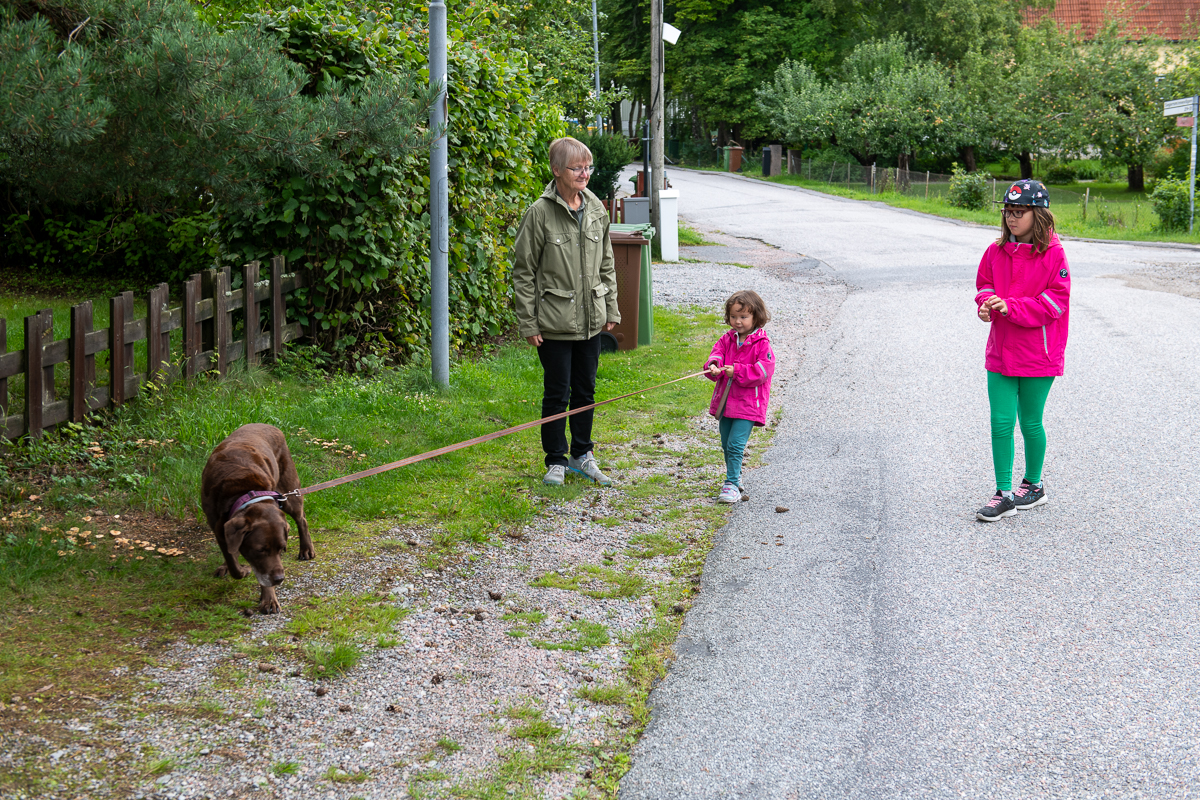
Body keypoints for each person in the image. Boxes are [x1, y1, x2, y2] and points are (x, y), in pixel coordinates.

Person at [512, 136, 620, 487]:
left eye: (588, 167)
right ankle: (556, 459)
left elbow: (607, 262)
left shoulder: (596, 209)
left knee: (586, 389)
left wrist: (611, 306)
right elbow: (524, 272)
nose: (584, 173)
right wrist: (528, 322)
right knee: (558, 392)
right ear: (556, 170)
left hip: (591, 320)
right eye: (576, 167)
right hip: (554, 322)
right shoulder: (538, 213)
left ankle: (582, 455)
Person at [974, 179, 1071, 522]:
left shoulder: (1054, 254)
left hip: (1038, 353)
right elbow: (984, 285)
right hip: (1000, 351)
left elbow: (1054, 302)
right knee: (1001, 422)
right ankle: (1003, 493)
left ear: (1038, 215)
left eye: (1020, 212)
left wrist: (1010, 306)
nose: (1012, 219)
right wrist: (986, 304)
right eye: (1008, 212)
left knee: (1030, 422)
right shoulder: (995, 250)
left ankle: (1033, 485)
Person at [704, 290, 776, 504]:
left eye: (743, 317)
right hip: (726, 402)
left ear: (756, 317)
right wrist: (714, 366)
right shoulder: (726, 339)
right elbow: (715, 355)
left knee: (736, 444)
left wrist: (736, 371)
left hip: (748, 405)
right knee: (726, 443)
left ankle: (732, 484)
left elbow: (763, 371)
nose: (737, 321)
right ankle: (735, 477)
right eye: (734, 316)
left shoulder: (762, 344)